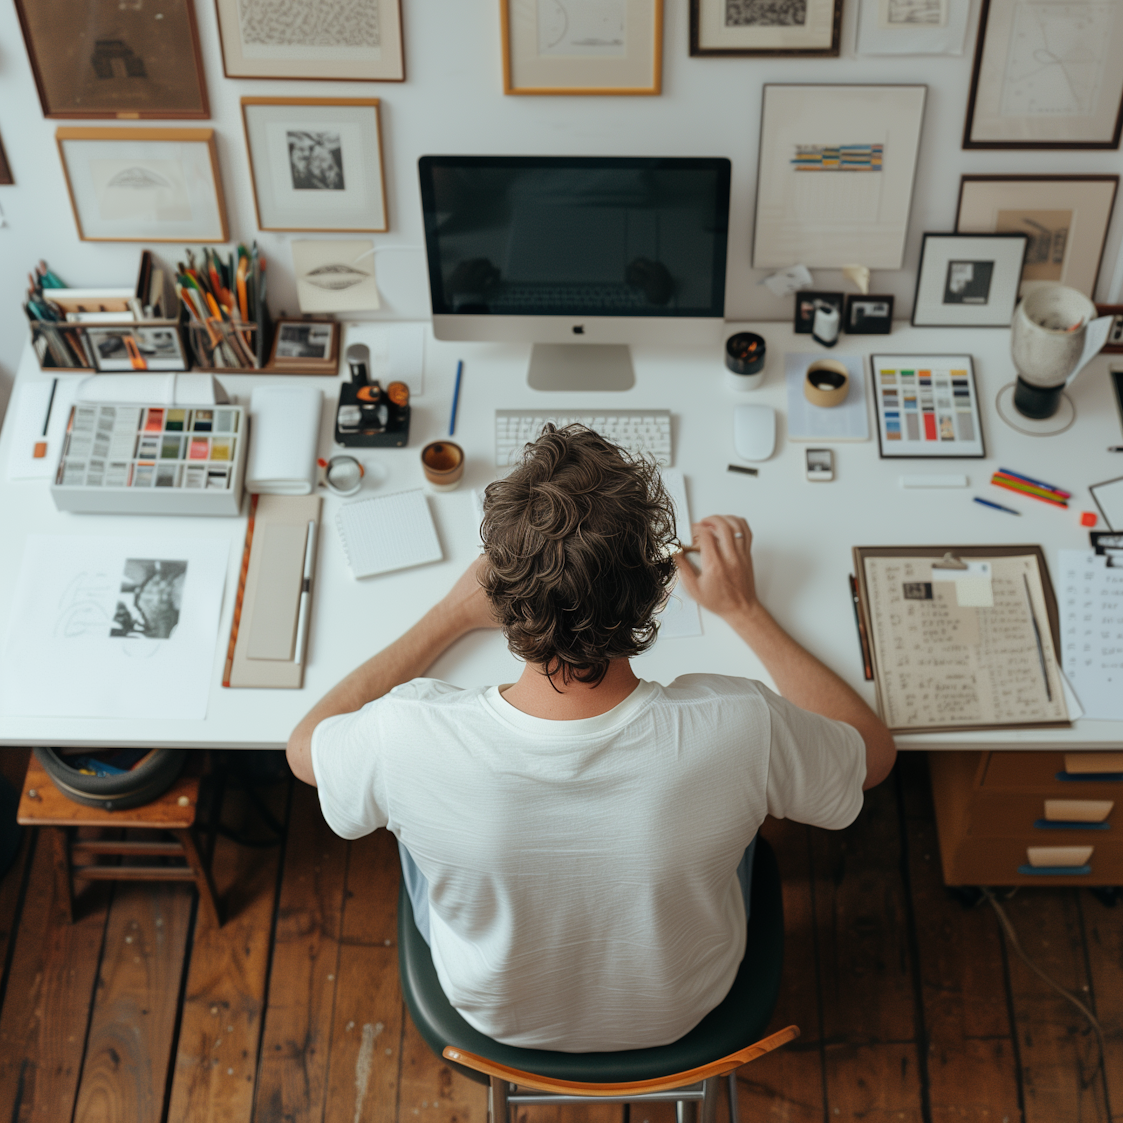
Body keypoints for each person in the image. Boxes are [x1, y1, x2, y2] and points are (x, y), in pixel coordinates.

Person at [287, 425, 895, 1054]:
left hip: (492, 1013)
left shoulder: (405, 735)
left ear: (500, 592)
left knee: (412, 820)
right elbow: (871, 754)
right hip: (683, 1007)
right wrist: (745, 611)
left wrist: (447, 615)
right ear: (655, 592)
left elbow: (305, 747)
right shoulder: (741, 724)